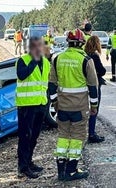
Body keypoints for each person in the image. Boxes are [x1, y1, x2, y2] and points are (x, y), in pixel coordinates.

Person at [49, 29, 98, 181]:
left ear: (68, 43)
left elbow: (51, 85)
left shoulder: (57, 58)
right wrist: (94, 106)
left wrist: (55, 102)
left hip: (62, 107)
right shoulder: (86, 60)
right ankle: (71, 171)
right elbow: (92, 86)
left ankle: (60, 171)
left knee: (63, 136)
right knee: (77, 137)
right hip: (79, 108)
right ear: (81, 43)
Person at [15, 37, 50, 179]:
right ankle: (22, 167)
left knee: (34, 136)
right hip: (26, 105)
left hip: (41, 104)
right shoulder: (23, 60)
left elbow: (47, 82)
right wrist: (34, 61)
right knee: (25, 136)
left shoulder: (46, 62)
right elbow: (22, 75)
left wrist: (51, 100)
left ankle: (29, 162)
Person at [85, 36, 106, 143]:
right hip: (94, 84)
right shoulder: (94, 56)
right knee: (94, 109)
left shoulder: (84, 55)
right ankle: (92, 133)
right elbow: (102, 71)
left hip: (83, 85)